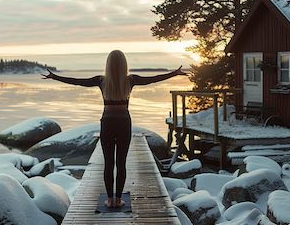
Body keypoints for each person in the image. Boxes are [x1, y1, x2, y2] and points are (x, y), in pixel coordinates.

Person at [41, 50, 186, 208]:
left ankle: (110, 200)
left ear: (108, 65)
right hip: (124, 123)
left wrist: (55, 77)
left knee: (108, 163)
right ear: (124, 65)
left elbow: (77, 81)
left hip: (107, 123)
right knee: (121, 163)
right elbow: (153, 79)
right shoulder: (131, 80)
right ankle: (118, 199)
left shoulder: (101, 81)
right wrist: (174, 73)